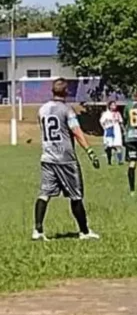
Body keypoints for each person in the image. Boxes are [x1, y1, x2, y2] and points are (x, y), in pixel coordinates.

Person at [33, 78, 100, 241]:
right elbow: (76, 132)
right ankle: (84, 232)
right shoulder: (67, 110)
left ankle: (38, 230)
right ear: (67, 92)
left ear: (52, 91)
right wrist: (89, 151)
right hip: (65, 159)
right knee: (75, 195)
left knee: (44, 194)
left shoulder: (42, 109)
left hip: (48, 157)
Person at [99, 100, 124, 165]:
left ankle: (120, 161)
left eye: (115, 105)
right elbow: (101, 122)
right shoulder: (106, 114)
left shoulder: (118, 113)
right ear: (109, 106)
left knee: (118, 145)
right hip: (109, 130)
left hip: (117, 131)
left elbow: (121, 122)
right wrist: (105, 128)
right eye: (112, 105)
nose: (114, 106)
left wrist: (123, 130)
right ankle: (109, 161)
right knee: (109, 146)